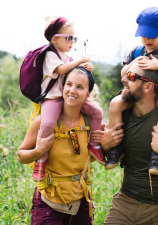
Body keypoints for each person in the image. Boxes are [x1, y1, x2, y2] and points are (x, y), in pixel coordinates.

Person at [97, 63, 158, 225]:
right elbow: (109, 158)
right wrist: (106, 144)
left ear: (148, 86)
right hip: (125, 202)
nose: (123, 80)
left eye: (131, 77)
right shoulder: (124, 116)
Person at [106, 7, 158, 175]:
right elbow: (123, 73)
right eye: (144, 34)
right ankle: (116, 147)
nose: (147, 39)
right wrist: (132, 64)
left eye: (152, 34)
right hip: (138, 90)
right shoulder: (136, 52)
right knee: (115, 103)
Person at [18, 67, 99, 224]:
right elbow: (21, 156)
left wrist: (106, 143)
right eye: (69, 84)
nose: (72, 91)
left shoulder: (89, 122)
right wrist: (39, 150)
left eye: (80, 87)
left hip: (79, 199)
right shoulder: (44, 121)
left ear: (88, 94)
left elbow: (90, 157)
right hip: (47, 200)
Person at [33, 17, 105, 181]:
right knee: (48, 123)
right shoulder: (50, 55)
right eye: (69, 38)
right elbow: (62, 70)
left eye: (74, 38)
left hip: (68, 97)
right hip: (53, 98)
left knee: (96, 111)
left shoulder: (65, 56)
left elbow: (75, 72)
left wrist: (86, 68)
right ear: (54, 38)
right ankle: (41, 159)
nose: (72, 42)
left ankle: (94, 145)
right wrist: (80, 60)